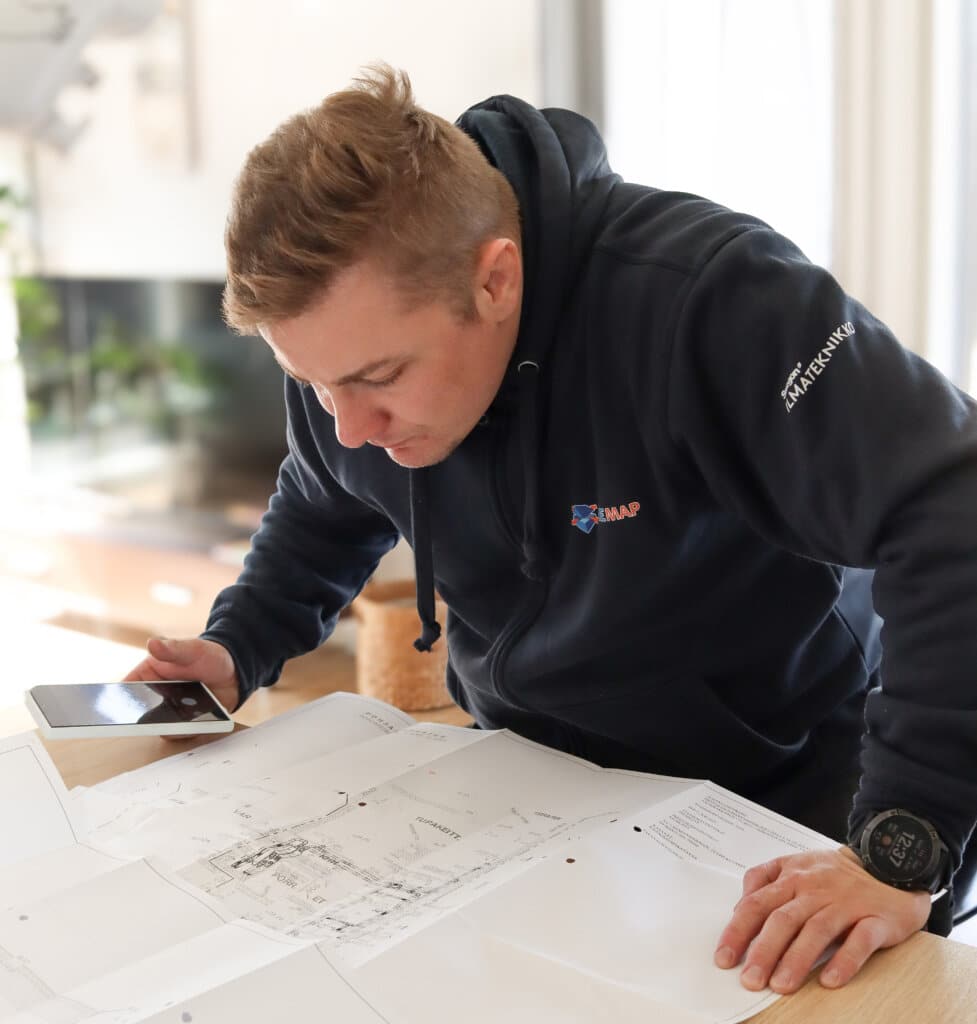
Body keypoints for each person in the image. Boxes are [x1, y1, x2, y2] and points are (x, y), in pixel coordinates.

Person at [126, 65, 977, 995]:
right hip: (537, 784)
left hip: (790, 782)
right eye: (312, 384)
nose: (349, 424)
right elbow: (324, 495)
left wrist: (901, 844)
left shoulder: (712, 299)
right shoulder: (348, 365)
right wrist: (235, 647)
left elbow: (952, 509)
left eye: (377, 378)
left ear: (494, 279)